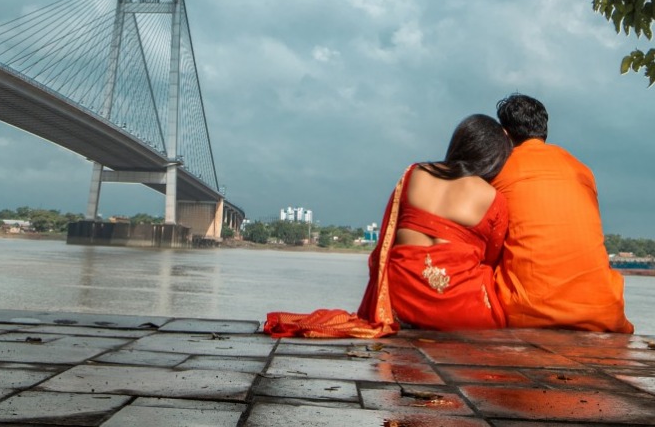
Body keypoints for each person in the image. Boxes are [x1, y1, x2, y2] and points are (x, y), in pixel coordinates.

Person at [263, 114, 513, 338]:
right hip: (461, 311)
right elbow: (491, 258)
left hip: (400, 300)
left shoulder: (415, 173)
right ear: (493, 157)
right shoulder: (493, 197)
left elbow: (387, 239)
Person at [490, 92, 633, 333]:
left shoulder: (498, 168)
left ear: (504, 134)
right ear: (543, 130)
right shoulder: (582, 170)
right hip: (603, 313)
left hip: (527, 312)